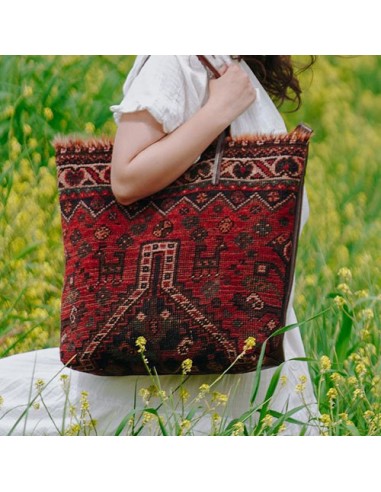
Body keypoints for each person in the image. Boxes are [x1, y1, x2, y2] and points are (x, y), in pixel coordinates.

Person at [0, 55, 320, 436]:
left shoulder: (232, 64)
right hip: (182, 351)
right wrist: (218, 110)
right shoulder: (179, 56)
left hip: (248, 340)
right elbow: (127, 176)